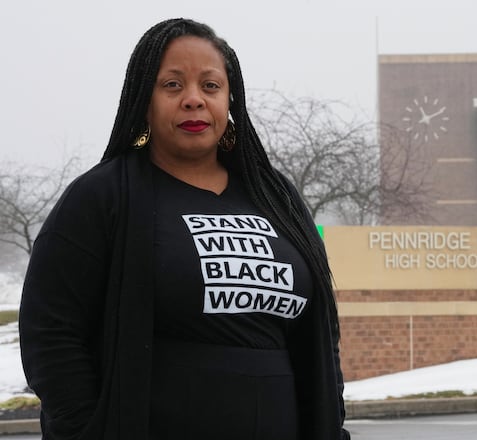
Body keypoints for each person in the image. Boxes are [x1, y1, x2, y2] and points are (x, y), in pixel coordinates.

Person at [19, 18, 349, 440]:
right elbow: (51, 331)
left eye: (210, 86)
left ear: (230, 99)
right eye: (172, 85)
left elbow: (322, 332)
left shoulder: (276, 196)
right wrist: (87, 429)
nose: (194, 100)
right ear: (144, 98)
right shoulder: (102, 196)